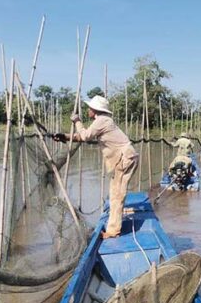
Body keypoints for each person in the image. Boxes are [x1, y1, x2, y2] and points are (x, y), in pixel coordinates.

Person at [52, 95, 138, 239]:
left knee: (117, 195)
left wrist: (77, 121)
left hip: (124, 158)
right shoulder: (101, 121)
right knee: (115, 192)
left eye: (90, 108)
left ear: (95, 110)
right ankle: (114, 224)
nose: (88, 111)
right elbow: (83, 136)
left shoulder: (102, 120)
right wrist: (64, 136)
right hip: (123, 158)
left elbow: (85, 136)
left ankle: (113, 231)